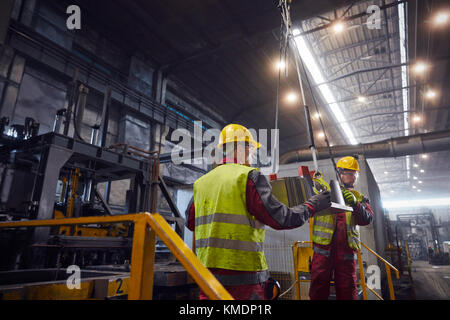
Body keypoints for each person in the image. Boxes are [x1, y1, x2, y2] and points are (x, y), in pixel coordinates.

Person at [185, 124, 331, 300]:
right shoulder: (249, 176)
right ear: (240, 147)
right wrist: (312, 205)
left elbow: (191, 223)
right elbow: (282, 219)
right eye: (251, 147)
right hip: (244, 278)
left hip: (207, 277)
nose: (252, 152)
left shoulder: (201, 182)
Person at [309, 156, 374, 300]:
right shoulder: (325, 193)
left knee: (347, 287)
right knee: (318, 286)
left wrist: (355, 203)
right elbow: (309, 200)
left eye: (354, 174)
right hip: (323, 250)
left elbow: (367, 219)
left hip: (346, 252)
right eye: (348, 173)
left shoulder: (360, 198)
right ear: (339, 173)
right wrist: (315, 184)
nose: (352, 177)